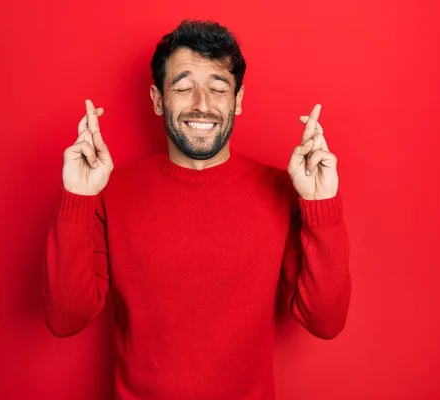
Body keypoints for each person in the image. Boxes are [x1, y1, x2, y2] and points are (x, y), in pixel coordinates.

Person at [43, 19, 351, 400]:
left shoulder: (282, 190)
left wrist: (321, 204)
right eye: (184, 87)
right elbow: (64, 318)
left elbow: (325, 321)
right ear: (158, 100)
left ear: (237, 100)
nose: (202, 105)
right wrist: (78, 196)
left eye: (218, 89)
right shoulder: (110, 191)